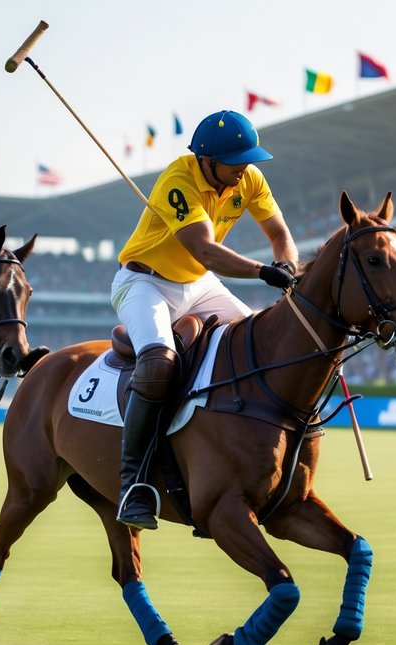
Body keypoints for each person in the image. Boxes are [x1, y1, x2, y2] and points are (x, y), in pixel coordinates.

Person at [111, 109, 300, 530]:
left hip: (197, 285)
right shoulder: (178, 180)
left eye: (247, 161)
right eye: (235, 163)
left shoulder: (247, 176)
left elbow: (279, 233)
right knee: (159, 361)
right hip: (144, 283)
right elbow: (206, 250)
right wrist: (261, 271)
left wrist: (286, 263)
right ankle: (132, 485)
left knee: (262, 344)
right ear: (207, 159)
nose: (243, 171)